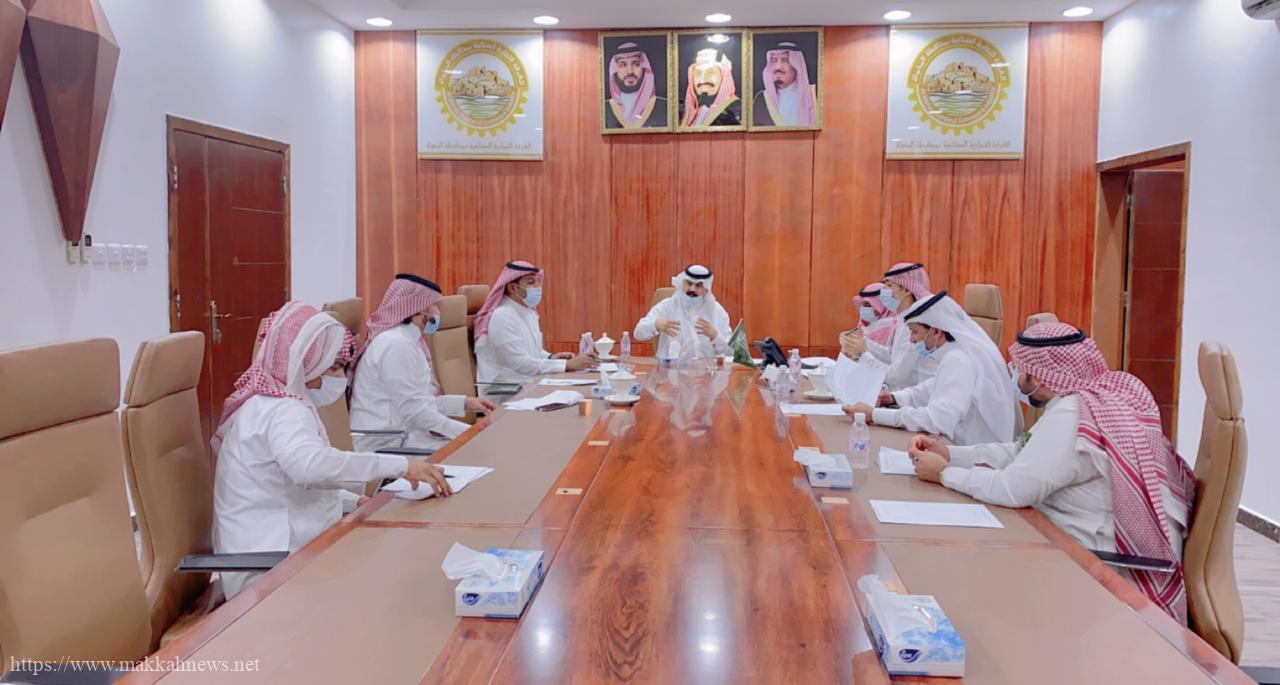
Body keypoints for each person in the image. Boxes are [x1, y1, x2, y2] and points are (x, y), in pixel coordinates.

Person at [908, 322, 1195, 623]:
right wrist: (951, 454)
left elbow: (1012, 490)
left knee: (967, 581)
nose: (1015, 377)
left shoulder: (1074, 413)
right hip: (1082, 545)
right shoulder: (1086, 401)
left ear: (1040, 377)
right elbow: (1022, 451)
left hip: (1106, 567)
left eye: (1019, 369)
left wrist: (944, 474)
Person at [212, 302, 451, 599]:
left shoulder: (282, 402)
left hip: (290, 547)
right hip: (270, 570)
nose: (340, 378)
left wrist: (353, 500)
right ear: (307, 362)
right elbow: (310, 468)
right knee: (395, 582)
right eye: (334, 367)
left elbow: (289, 484)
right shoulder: (282, 410)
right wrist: (401, 466)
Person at [843, 291, 1019, 445]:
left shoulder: (960, 360)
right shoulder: (955, 353)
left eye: (915, 332)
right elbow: (932, 387)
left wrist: (874, 415)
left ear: (936, 331)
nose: (911, 340)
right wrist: (892, 398)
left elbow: (936, 420)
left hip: (968, 454)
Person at [349, 274, 495, 452]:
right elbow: (414, 411)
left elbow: (421, 402)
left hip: (407, 436)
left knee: (481, 450)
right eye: (434, 306)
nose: (437, 312)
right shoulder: (396, 345)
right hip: (388, 444)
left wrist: (465, 403)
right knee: (477, 453)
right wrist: (468, 432)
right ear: (418, 310)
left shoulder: (410, 341)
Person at [474, 260, 592, 389]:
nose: (537, 287)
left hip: (527, 382)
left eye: (538, 282)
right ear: (512, 288)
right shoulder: (502, 316)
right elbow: (520, 363)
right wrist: (566, 365)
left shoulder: (529, 311)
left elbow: (530, 350)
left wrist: (551, 357)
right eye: (531, 283)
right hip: (504, 389)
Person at [840, 262, 936, 390]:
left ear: (906, 290)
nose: (883, 291)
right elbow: (893, 356)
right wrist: (859, 342)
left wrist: (863, 354)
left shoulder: (917, 325)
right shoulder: (902, 320)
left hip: (915, 397)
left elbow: (895, 376)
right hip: (899, 394)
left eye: (889, 285)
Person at [634, 264, 732, 362]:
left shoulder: (717, 312)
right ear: (682, 283)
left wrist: (715, 336)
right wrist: (656, 324)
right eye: (689, 283)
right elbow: (638, 333)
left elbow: (730, 353)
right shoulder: (668, 306)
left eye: (698, 285)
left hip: (706, 370)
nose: (692, 289)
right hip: (670, 369)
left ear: (707, 288)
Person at [751, 40, 817, 127]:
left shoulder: (814, 94)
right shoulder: (761, 99)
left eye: (785, 60)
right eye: (774, 60)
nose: (778, 67)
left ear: (796, 65)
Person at [605, 41, 667, 130]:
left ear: (644, 68)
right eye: (622, 65)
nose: (630, 71)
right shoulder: (605, 108)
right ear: (614, 70)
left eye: (636, 64)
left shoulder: (664, 106)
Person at [680, 48, 741, 129]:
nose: (702, 80)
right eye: (698, 74)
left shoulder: (735, 108)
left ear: (724, 78)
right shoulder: (690, 113)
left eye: (711, 73)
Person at [853, 281, 896, 347]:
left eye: (868, 304)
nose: (864, 308)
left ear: (881, 304)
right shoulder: (863, 323)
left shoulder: (894, 326)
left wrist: (863, 343)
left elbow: (888, 352)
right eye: (862, 304)